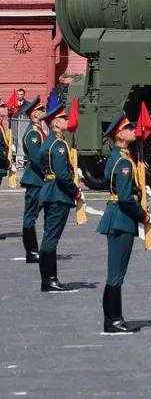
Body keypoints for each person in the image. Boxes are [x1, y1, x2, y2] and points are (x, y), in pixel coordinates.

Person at [97, 112, 151, 334]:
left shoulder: (119, 157)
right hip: (122, 219)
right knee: (116, 274)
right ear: (119, 134)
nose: (133, 131)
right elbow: (125, 198)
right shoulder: (123, 163)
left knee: (116, 272)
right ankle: (112, 321)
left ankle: (115, 318)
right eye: (129, 128)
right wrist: (144, 215)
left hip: (118, 217)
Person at [37, 92, 83, 292]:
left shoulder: (50, 142)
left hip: (50, 190)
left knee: (49, 235)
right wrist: (76, 192)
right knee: (51, 237)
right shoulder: (58, 145)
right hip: (58, 193)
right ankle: (49, 279)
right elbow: (63, 175)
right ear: (55, 123)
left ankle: (48, 279)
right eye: (63, 118)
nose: (67, 120)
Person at [18, 96, 45, 263]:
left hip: (38, 178)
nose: (44, 112)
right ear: (34, 114)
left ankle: (34, 250)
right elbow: (37, 158)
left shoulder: (37, 130)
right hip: (35, 178)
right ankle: (32, 251)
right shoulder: (33, 133)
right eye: (41, 109)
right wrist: (50, 173)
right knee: (30, 215)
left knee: (33, 214)